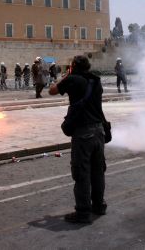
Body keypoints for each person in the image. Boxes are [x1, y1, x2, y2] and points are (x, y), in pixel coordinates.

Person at [49, 55, 107, 224]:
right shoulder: (96, 80)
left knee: (82, 173)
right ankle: (99, 205)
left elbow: (52, 90)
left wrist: (66, 75)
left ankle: (82, 212)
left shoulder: (72, 79)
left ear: (73, 66)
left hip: (83, 133)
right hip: (99, 130)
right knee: (98, 171)